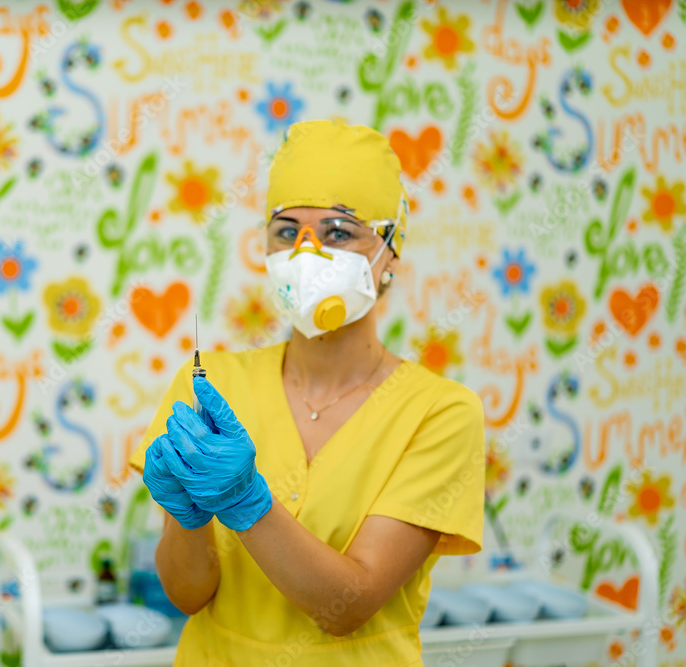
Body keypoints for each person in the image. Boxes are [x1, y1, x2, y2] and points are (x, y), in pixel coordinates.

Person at [128, 119, 486, 666]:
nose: (307, 252)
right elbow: (186, 594)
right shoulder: (210, 386)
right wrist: (190, 518)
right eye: (287, 231)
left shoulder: (439, 412)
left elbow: (348, 605)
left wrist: (247, 501)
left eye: (339, 232)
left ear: (390, 250)